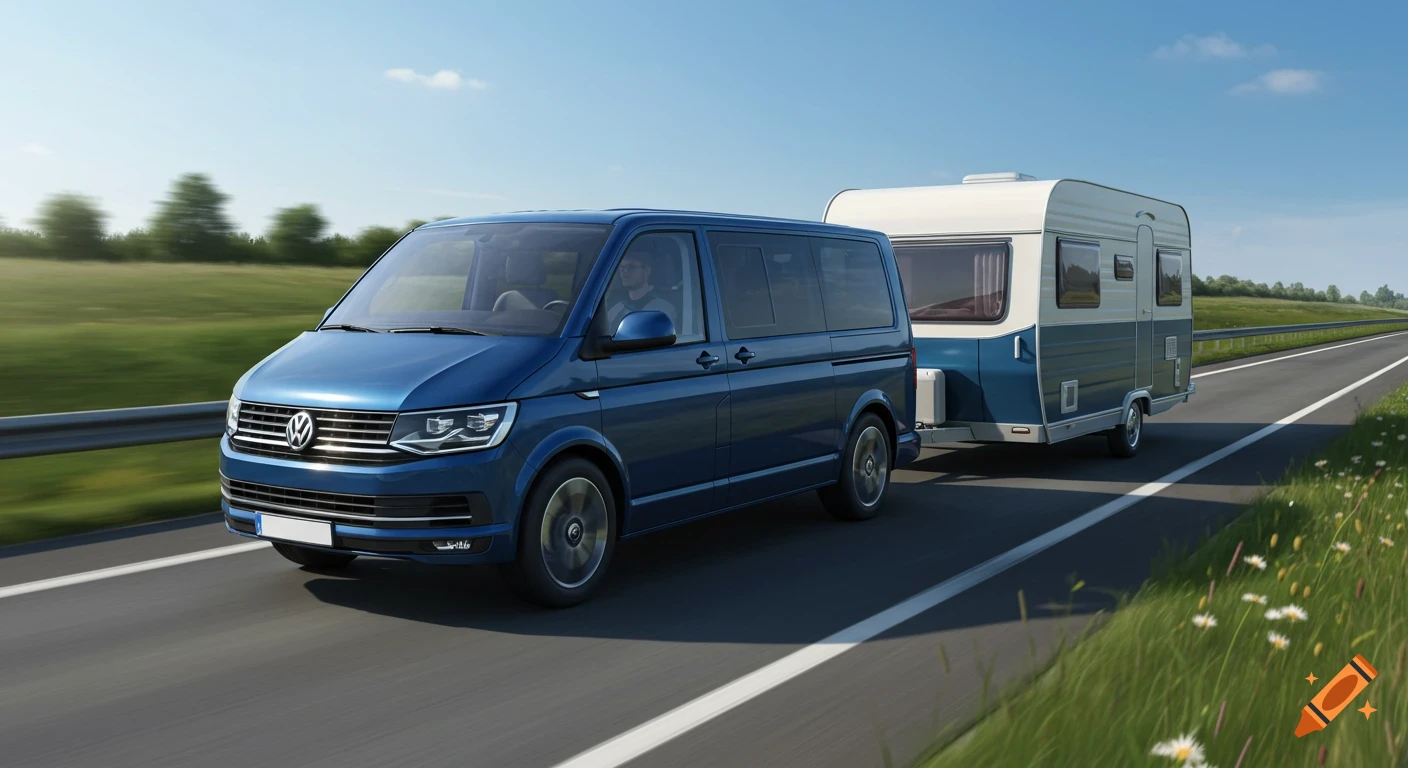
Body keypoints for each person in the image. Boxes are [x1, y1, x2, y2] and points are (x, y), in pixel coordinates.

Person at [606, 247, 676, 331]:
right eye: (622, 268)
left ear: (647, 270)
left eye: (631, 267)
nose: (625, 271)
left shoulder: (662, 310)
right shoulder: (616, 310)